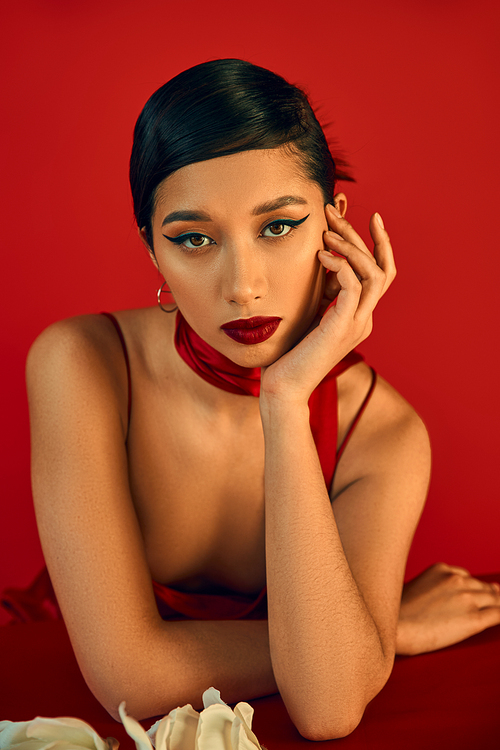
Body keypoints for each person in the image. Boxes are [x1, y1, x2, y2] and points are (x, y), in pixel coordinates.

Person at [17, 59, 500, 740]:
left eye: (278, 227)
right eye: (193, 239)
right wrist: (377, 635)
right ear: (152, 251)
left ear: (335, 224)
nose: (242, 285)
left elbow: (328, 707)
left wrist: (285, 400)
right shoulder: (83, 363)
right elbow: (127, 677)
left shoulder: (381, 433)